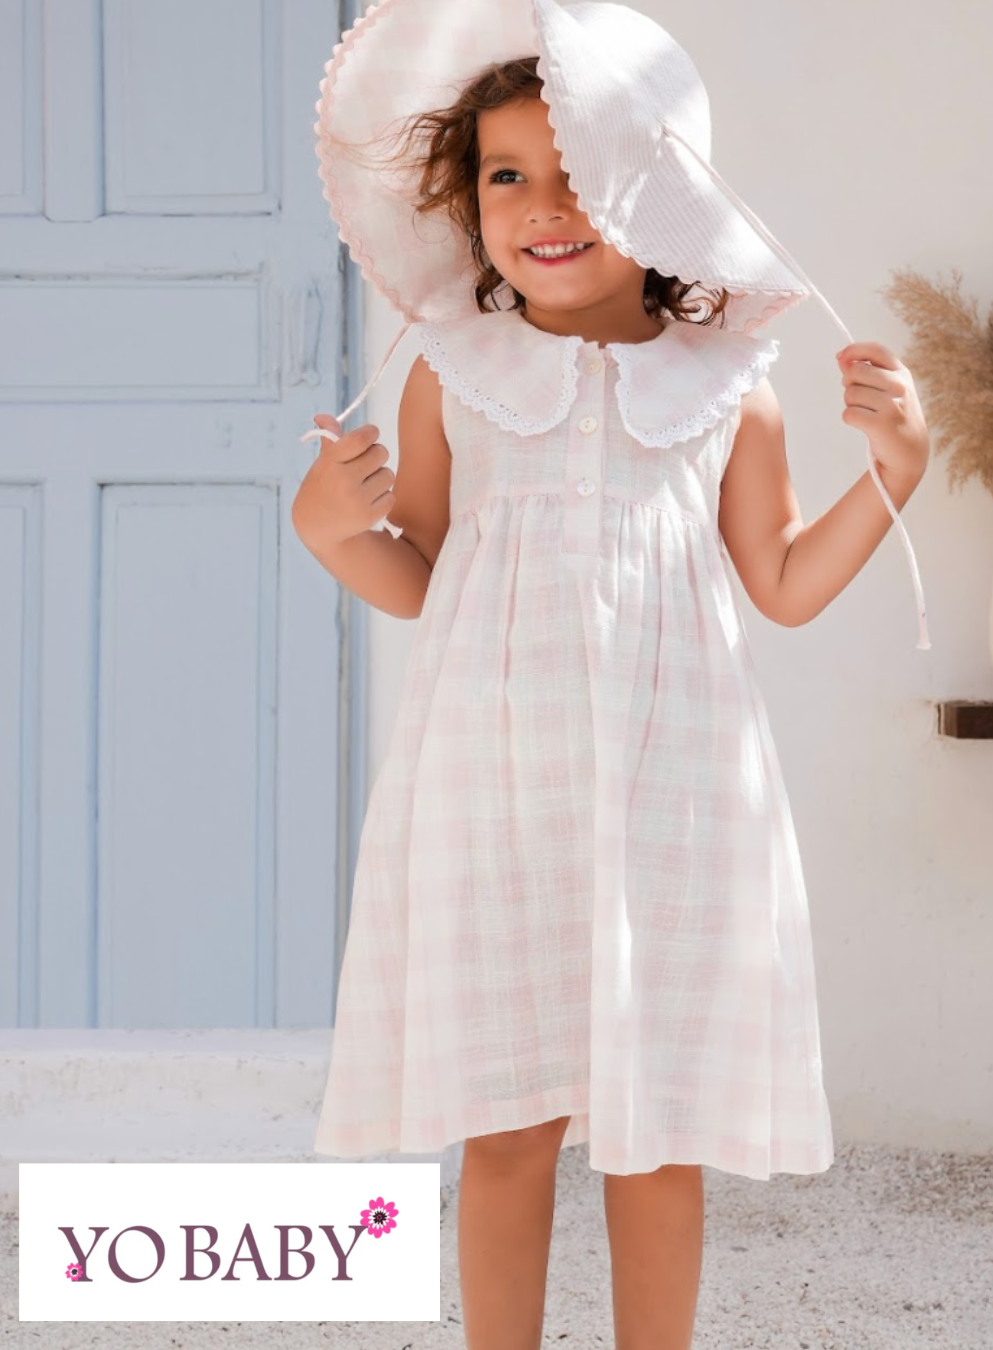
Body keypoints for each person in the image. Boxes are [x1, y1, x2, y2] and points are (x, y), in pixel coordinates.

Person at [292, 5, 931, 1348]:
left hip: (671, 797)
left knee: (657, 1130)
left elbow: (783, 581)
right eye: (506, 176)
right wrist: (335, 533)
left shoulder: (727, 387)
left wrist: (895, 473)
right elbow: (429, 573)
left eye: (580, 172)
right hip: (495, 792)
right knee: (507, 1122)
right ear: (467, 204)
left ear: (659, 190)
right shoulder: (451, 374)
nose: (544, 206)